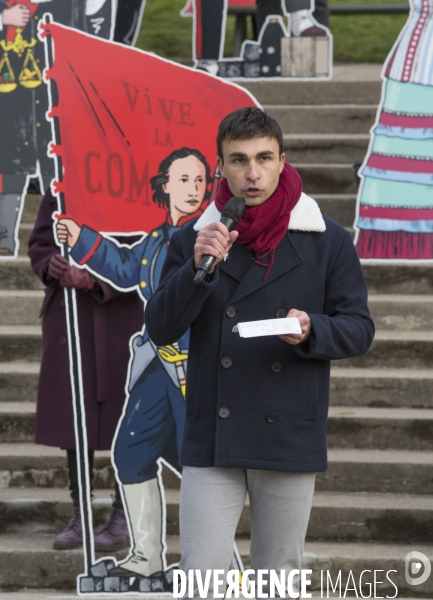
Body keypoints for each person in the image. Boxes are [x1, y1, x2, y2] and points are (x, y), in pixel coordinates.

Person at [143, 107, 375, 597]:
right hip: (213, 434)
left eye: (264, 159)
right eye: (239, 160)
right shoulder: (194, 238)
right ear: (220, 167)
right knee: (200, 577)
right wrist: (195, 268)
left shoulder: (327, 240)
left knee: (278, 577)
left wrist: (315, 329)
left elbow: (359, 329)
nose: (253, 173)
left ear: (282, 160)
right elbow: (160, 328)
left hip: (288, 429)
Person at [55, 148, 212, 586]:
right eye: (184, 180)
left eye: (200, 181)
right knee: (131, 452)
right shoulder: (157, 241)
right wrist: (82, 237)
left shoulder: (214, 237)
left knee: (198, 466)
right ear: (164, 186)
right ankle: (146, 557)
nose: (193, 189)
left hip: (192, 372)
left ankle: (210, 563)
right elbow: (124, 268)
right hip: (155, 368)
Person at [28, 189, 144, 551]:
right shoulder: (61, 187)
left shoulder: (138, 185)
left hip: (125, 317)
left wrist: (97, 279)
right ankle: (81, 512)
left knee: (132, 419)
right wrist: (53, 266)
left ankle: (124, 513)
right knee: (73, 416)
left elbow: (150, 253)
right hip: (70, 318)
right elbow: (40, 243)